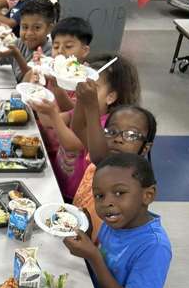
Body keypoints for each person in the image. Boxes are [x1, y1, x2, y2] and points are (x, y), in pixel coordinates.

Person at [64, 153, 171, 288]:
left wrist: (93, 256)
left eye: (119, 193)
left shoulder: (154, 247)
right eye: (100, 196)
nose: (107, 204)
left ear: (148, 195)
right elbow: (106, 258)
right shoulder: (115, 223)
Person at [34, 53, 140, 201]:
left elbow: (71, 143)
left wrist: (53, 114)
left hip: (74, 191)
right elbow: (49, 122)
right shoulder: (81, 110)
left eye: (93, 87)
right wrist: (38, 95)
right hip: (57, 179)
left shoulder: (107, 125)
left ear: (110, 97)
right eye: (82, 83)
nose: (83, 90)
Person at [73, 98, 156, 239]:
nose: (118, 139)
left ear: (145, 148)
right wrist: (82, 98)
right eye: (112, 131)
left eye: (131, 135)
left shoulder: (132, 188)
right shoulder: (98, 163)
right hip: (74, 230)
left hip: (91, 251)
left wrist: (92, 107)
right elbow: (78, 127)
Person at [0, 0, 55, 81]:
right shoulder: (19, 43)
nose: (29, 33)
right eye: (25, 27)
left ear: (49, 28)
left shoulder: (51, 53)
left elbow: (30, 79)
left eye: (37, 28)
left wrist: (17, 55)